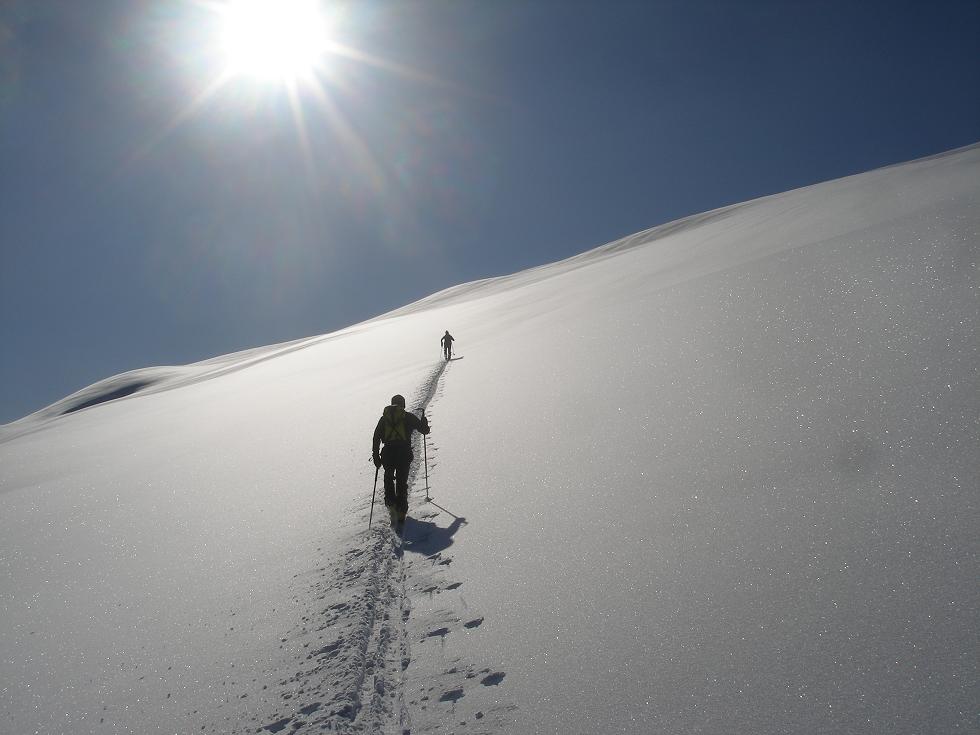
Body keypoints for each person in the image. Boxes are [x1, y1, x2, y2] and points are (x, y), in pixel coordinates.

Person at [372, 394, 430, 528]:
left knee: (388, 479)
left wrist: (376, 456)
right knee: (401, 481)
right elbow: (424, 431)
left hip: (387, 454)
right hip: (404, 453)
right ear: (403, 404)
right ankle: (401, 512)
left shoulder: (383, 419)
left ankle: (391, 507)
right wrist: (424, 422)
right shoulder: (407, 416)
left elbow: (376, 438)